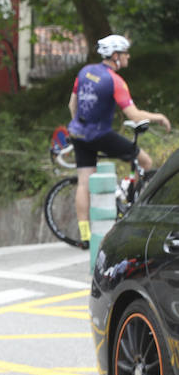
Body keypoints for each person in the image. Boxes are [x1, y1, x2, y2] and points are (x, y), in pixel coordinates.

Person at [67, 34, 171, 247]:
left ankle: (85, 235)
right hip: (100, 134)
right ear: (115, 56)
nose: (128, 57)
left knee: (84, 182)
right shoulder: (115, 81)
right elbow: (133, 115)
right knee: (145, 161)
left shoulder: (85, 72)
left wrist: (80, 127)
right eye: (125, 53)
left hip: (78, 133)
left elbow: (72, 105)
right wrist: (158, 117)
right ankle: (126, 198)